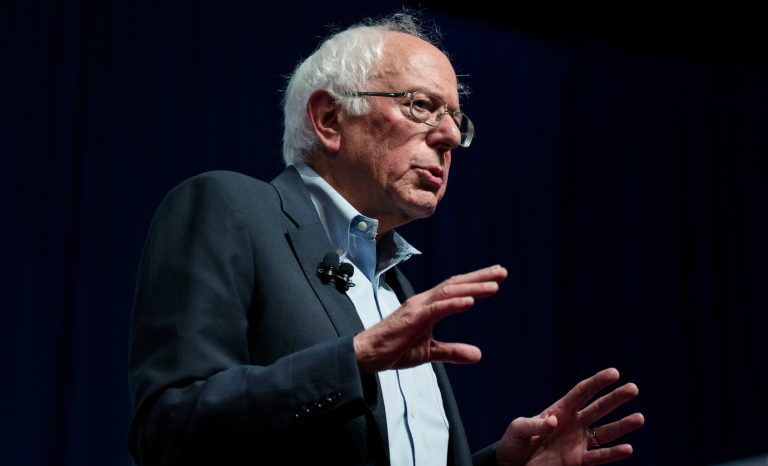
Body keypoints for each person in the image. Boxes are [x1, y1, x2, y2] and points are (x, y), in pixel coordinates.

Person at [127, 11, 644, 466]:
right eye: (421, 106)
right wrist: (352, 360)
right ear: (330, 119)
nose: (446, 138)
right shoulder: (231, 209)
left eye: (455, 121)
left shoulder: (397, 289)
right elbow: (168, 430)